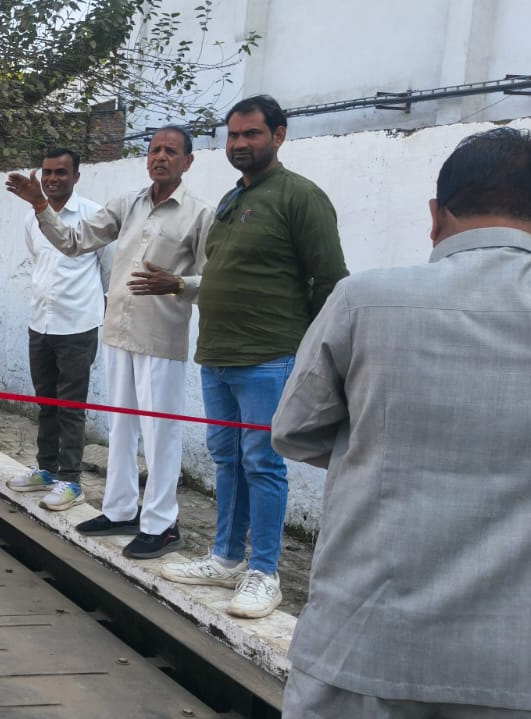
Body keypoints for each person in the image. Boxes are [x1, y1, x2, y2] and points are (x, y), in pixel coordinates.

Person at [272, 127, 531, 718]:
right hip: (527, 666)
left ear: (435, 215)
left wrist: (376, 446)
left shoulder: (365, 300)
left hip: (364, 646)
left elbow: (295, 430)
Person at [160, 95, 347, 619]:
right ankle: (225, 557)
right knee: (227, 460)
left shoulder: (301, 197)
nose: (240, 144)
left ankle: (264, 572)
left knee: (263, 464)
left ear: (279, 135)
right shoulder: (227, 200)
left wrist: (310, 350)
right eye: (233, 136)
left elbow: (331, 281)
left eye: (252, 135)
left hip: (269, 357)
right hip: (216, 356)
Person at [6, 127, 213, 560]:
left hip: (160, 337)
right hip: (118, 332)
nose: (160, 157)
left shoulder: (199, 213)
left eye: (170, 151)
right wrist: (40, 205)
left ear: (187, 162)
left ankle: (162, 524)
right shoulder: (127, 205)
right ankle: (120, 509)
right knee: (121, 426)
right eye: (155, 149)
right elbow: (72, 242)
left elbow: (214, 282)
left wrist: (176, 283)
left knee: (160, 432)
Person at [5, 148, 110, 507]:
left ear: (76, 176)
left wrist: (102, 317)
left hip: (78, 326)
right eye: (47, 172)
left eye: (61, 173)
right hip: (41, 324)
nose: (52, 179)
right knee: (46, 402)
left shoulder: (94, 215)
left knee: (71, 406)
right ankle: (46, 470)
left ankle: (72, 481)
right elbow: (39, 263)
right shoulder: (31, 220)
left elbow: (107, 270)